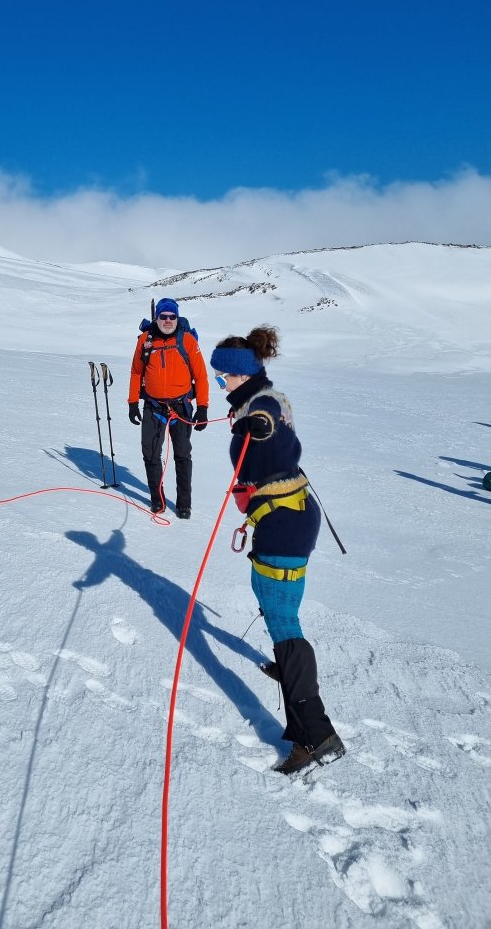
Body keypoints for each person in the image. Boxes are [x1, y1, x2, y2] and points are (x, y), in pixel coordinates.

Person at [210, 325, 345, 774]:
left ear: (240, 374)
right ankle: (290, 671)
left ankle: (315, 734)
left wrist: (257, 425)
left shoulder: (261, 405)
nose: (219, 383)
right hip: (288, 516)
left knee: (283, 620)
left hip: (284, 522)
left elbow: (267, 423)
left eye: (222, 376)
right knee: (277, 609)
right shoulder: (258, 398)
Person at [128, 298, 209, 519]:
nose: (168, 320)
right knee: (150, 453)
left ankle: (184, 504)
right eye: (163, 316)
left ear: (177, 318)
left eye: (172, 316)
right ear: (157, 318)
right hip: (153, 407)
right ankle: (157, 499)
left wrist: (202, 407)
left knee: (182, 454)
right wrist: (133, 403)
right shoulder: (145, 340)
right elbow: (136, 372)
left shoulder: (187, 341)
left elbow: (201, 376)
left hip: (181, 407)